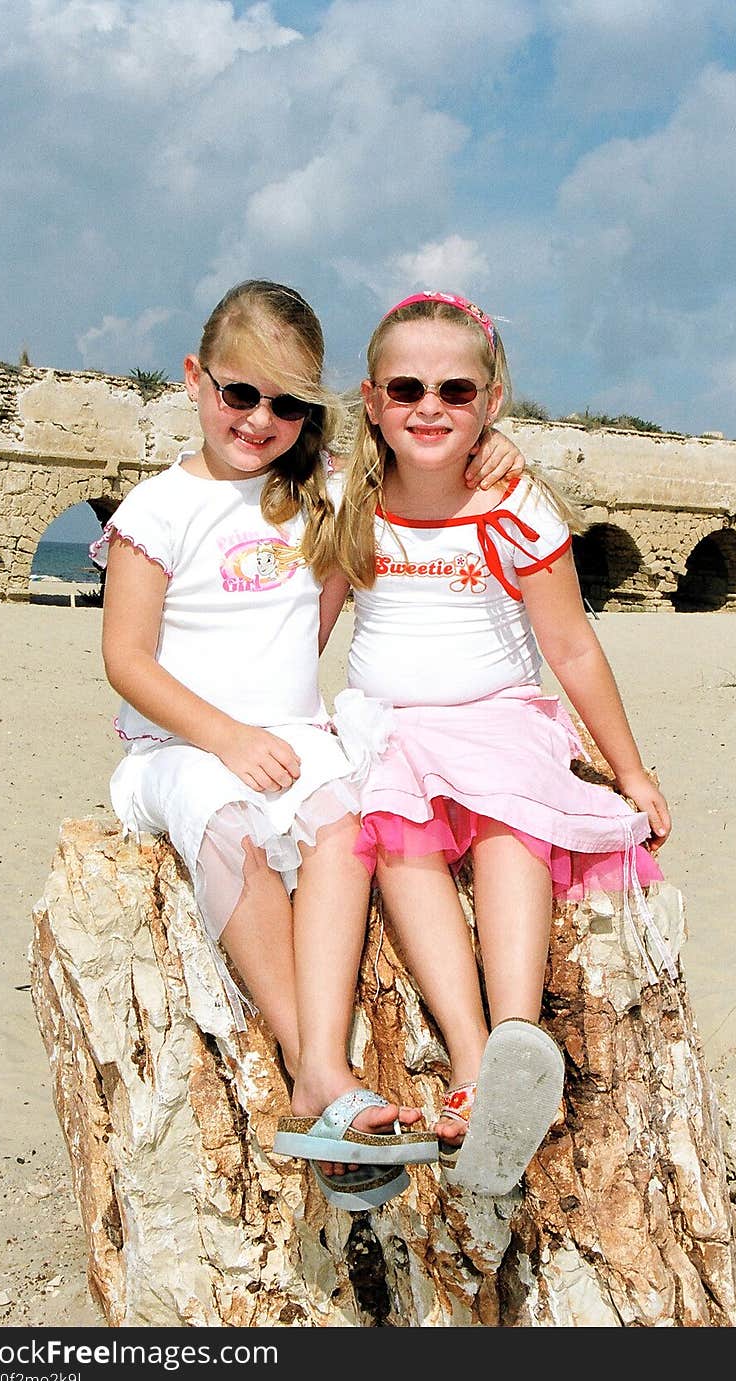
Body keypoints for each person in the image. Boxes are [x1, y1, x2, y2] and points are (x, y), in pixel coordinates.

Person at [91, 279, 523, 1211]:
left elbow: (414, 456)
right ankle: (313, 1067)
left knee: (343, 822)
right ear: (196, 378)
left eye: (288, 404)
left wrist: (493, 446)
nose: (259, 420)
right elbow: (125, 658)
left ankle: (329, 1063)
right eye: (239, 393)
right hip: (179, 743)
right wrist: (225, 736)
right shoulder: (157, 509)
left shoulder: (315, 490)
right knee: (231, 827)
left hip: (290, 734)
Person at [321, 290, 678, 1197]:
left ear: (490, 401)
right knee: (399, 840)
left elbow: (570, 646)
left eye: (454, 388)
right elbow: (305, 628)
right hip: (388, 724)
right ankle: (477, 1059)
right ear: (370, 398)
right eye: (406, 388)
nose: (429, 406)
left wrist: (630, 767)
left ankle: (517, 1037)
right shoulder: (348, 502)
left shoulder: (514, 506)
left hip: (496, 714)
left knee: (511, 819)